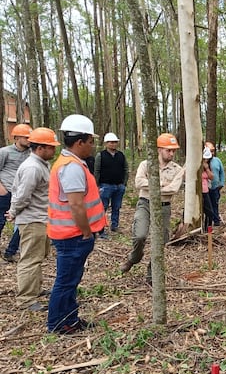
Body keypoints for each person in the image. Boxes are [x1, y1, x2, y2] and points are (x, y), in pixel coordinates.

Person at [46, 115, 106, 333]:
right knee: (66, 282)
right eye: (90, 141)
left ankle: (70, 319)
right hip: (72, 235)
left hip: (70, 234)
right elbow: (76, 205)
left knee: (71, 280)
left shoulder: (71, 164)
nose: (92, 146)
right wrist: (86, 232)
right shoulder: (71, 167)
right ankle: (57, 323)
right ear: (79, 142)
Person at [120, 133, 185, 277]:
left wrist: (151, 185)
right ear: (159, 149)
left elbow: (174, 188)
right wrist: (161, 184)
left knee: (161, 241)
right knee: (140, 235)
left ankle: (152, 274)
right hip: (145, 203)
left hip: (164, 206)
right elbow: (138, 183)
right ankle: (134, 257)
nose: (172, 153)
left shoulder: (177, 169)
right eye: (168, 150)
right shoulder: (146, 164)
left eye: (173, 150)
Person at [8, 128, 58, 312]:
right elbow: (22, 195)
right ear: (41, 148)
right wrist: (13, 211)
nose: (54, 151)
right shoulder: (32, 168)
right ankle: (26, 299)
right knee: (30, 259)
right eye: (51, 148)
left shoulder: (41, 164)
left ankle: (34, 290)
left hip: (41, 218)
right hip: (32, 220)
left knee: (38, 256)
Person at [0, 123, 31, 262]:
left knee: (23, 223)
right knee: (1, 221)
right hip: (5, 192)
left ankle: (10, 252)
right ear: (17, 137)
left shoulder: (31, 154)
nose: (29, 140)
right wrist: (2, 189)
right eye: (26, 137)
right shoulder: (4, 152)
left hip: (21, 194)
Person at [94, 132, 129, 235]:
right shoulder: (100, 156)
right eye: (111, 142)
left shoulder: (121, 155)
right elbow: (97, 171)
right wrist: (97, 185)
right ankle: (100, 229)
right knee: (102, 207)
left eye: (115, 142)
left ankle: (115, 225)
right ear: (106, 143)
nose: (113, 144)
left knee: (116, 207)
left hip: (119, 186)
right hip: (105, 186)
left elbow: (126, 169)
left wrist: (124, 183)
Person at [205, 141, 225, 226]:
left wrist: (221, 183)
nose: (212, 153)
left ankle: (216, 220)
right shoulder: (203, 162)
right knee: (207, 207)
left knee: (215, 204)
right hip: (205, 188)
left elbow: (222, 173)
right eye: (210, 151)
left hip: (215, 187)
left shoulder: (217, 161)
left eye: (213, 151)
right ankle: (207, 222)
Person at [202, 147, 215, 231]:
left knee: (210, 213)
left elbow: (211, 177)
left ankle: (208, 230)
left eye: (208, 159)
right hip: (199, 193)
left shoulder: (208, 166)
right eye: (205, 159)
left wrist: (206, 168)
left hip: (206, 191)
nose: (206, 160)